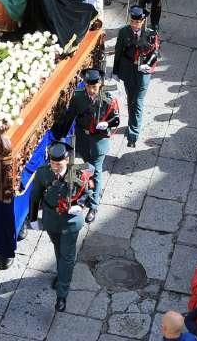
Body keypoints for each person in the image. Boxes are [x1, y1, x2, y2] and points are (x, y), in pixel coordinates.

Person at [27, 142, 92, 312]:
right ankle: (62, 273)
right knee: (58, 249)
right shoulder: (43, 173)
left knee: (68, 256)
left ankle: (62, 294)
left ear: (67, 160)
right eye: (53, 163)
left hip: (70, 221)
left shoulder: (76, 172)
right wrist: (33, 218)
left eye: (59, 164)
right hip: (51, 220)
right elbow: (35, 196)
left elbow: (88, 192)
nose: (55, 167)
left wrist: (81, 205)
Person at [52, 69, 119, 224]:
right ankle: (86, 192)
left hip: (98, 142)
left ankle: (93, 206)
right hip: (83, 139)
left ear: (100, 84)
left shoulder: (108, 98)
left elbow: (115, 120)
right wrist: (60, 136)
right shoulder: (79, 97)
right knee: (86, 167)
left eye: (94, 87)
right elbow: (71, 117)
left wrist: (106, 125)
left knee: (95, 170)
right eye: (89, 86)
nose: (91, 90)